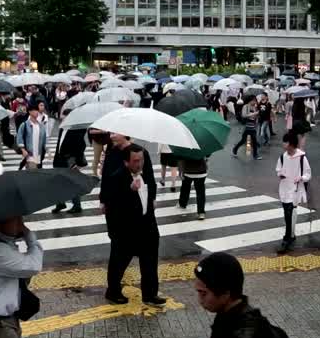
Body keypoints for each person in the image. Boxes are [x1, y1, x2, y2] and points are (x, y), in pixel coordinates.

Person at [101, 144, 165, 306]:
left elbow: (151, 189)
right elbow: (112, 206)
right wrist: (129, 190)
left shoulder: (146, 174)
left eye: (141, 160)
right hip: (126, 230)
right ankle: (113, 291)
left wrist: (152, 203)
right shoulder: (116, 178)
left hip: (147, 226)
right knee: (118, 264)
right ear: (126, 162)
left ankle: (150, 294)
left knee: (150, 262)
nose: (139, 164)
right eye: (135, 161)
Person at [275, 131, 311, 253]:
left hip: (295, 190)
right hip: (284, 188)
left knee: (290, 212)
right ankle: (291, 235)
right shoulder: (282, 157)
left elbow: (308, 173)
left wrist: (301, 178)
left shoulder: (302, 157)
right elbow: (278, 169)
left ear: (291, 144)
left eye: (285, 141)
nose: (283, 144)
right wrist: (280, 174)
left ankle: (287, 238)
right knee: (287, 213)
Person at [50, 127, 86, 213]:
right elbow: (59, 145)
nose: (60, 116)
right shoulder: (62, 129)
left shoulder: (77, 129)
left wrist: (78, 163)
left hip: (70, 160)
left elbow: (81, 146)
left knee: (72, 183)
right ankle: (60, 203)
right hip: (59, 159)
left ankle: (77, 205)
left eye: (63, 114)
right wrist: (55, 159)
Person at [177, 154, 208, 220]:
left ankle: (182, 204)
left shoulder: (185, 146)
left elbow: (180, 158)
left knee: (185, 188)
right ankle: (201, 213)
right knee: (200, 192)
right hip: (201, 171)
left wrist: (180, 171)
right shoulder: (202, 145)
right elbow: (207, 154)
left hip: (188, 170)